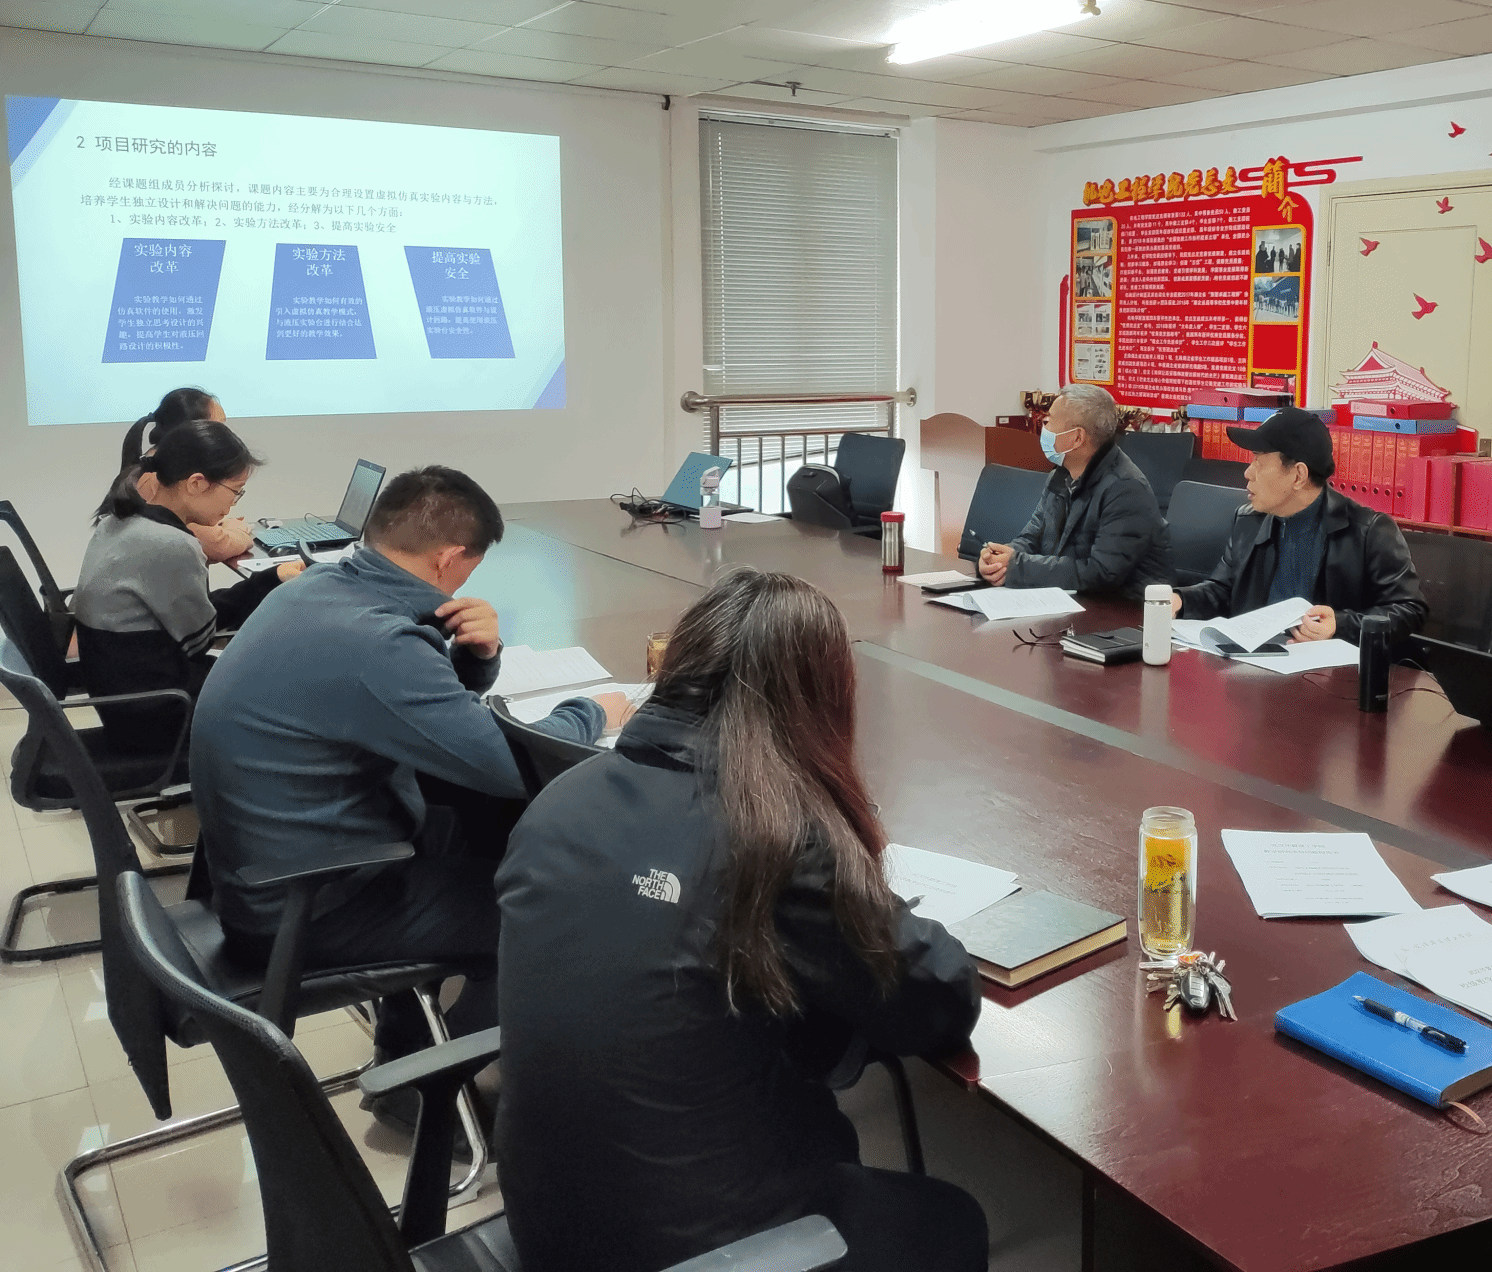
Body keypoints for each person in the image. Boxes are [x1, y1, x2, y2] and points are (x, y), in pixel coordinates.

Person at [496, 568, 986, 1272]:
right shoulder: (772, 840)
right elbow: (937, 998)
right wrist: (871, 897)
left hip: (549, 1229)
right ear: (815, 699)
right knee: (950, 1220)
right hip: (697, 1249)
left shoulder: (560, 800)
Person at [190, 465, 628, 1066]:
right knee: (552, 904)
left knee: (481, 829)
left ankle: (407, 1044)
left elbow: (421, 718)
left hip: (271, 870)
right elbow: (515, 765)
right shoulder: (378, 642)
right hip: (305, 907)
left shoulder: (318, 588)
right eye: (472, 566)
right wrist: (592, 711)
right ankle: (440, 1081)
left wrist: (478, 658)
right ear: (449, 558)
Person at [73, 421, 301, 755]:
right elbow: (199, 639)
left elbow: (191, 617)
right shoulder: (171, 543)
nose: (233, 505)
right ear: (196, 483)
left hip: (127, 699)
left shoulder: (118, 522)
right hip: (160, 716)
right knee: (294, 682)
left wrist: (269, 579)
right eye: (236, 491)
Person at [1173, 407, 1426, 644]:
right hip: (1255, 661)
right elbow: (1223, 591)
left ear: (1298, 475)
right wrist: (1179, 601)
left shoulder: (1368, 530)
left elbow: (1409, 610)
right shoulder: (1248, 521)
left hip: (1328, 670)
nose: (1248, 473)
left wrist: (1340, 625)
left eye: (1260, 462)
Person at [977, 383, 1172, 599]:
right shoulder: (1061, 475)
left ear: (1077, 437)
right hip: (1071, 600)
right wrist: (1000, 560)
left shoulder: (1126, 489)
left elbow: (1100, 573)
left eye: (1048, 422)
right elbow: (1033, 537)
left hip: (1123, 609)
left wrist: (1018, 566)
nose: (1043, 428)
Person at [114, 388, 254, 563]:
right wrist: (238, 531)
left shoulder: (154, 466)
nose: (225, 436)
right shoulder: (156, 479)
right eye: (217, 428)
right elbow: (211, 543)